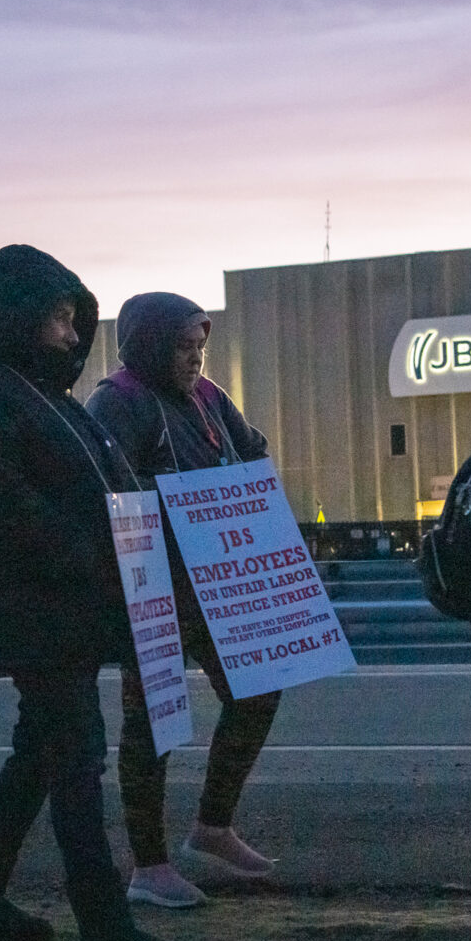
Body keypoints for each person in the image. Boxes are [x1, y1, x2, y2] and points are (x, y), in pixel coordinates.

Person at [0, 245, 200, 941]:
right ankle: (106, 932)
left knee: (40, 755)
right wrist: (90, 554)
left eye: (73, 318)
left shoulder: (50, 400)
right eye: (56, 316)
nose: (70, 332)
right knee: (76, 756)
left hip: (70, 609)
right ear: (17, 315)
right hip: (36, 610)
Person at [85, 292, 280, 909]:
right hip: (154, 592)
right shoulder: (117, 402)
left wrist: (253, 470)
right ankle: (150, 867)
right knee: (153, 725)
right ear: (147, 345)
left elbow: (248, 449)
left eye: (200, 347)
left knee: (259, 691)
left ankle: (212, 827)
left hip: (218, 586)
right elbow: (109, 491)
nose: (195, 358)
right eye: (183, 347)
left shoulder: (208, 396)